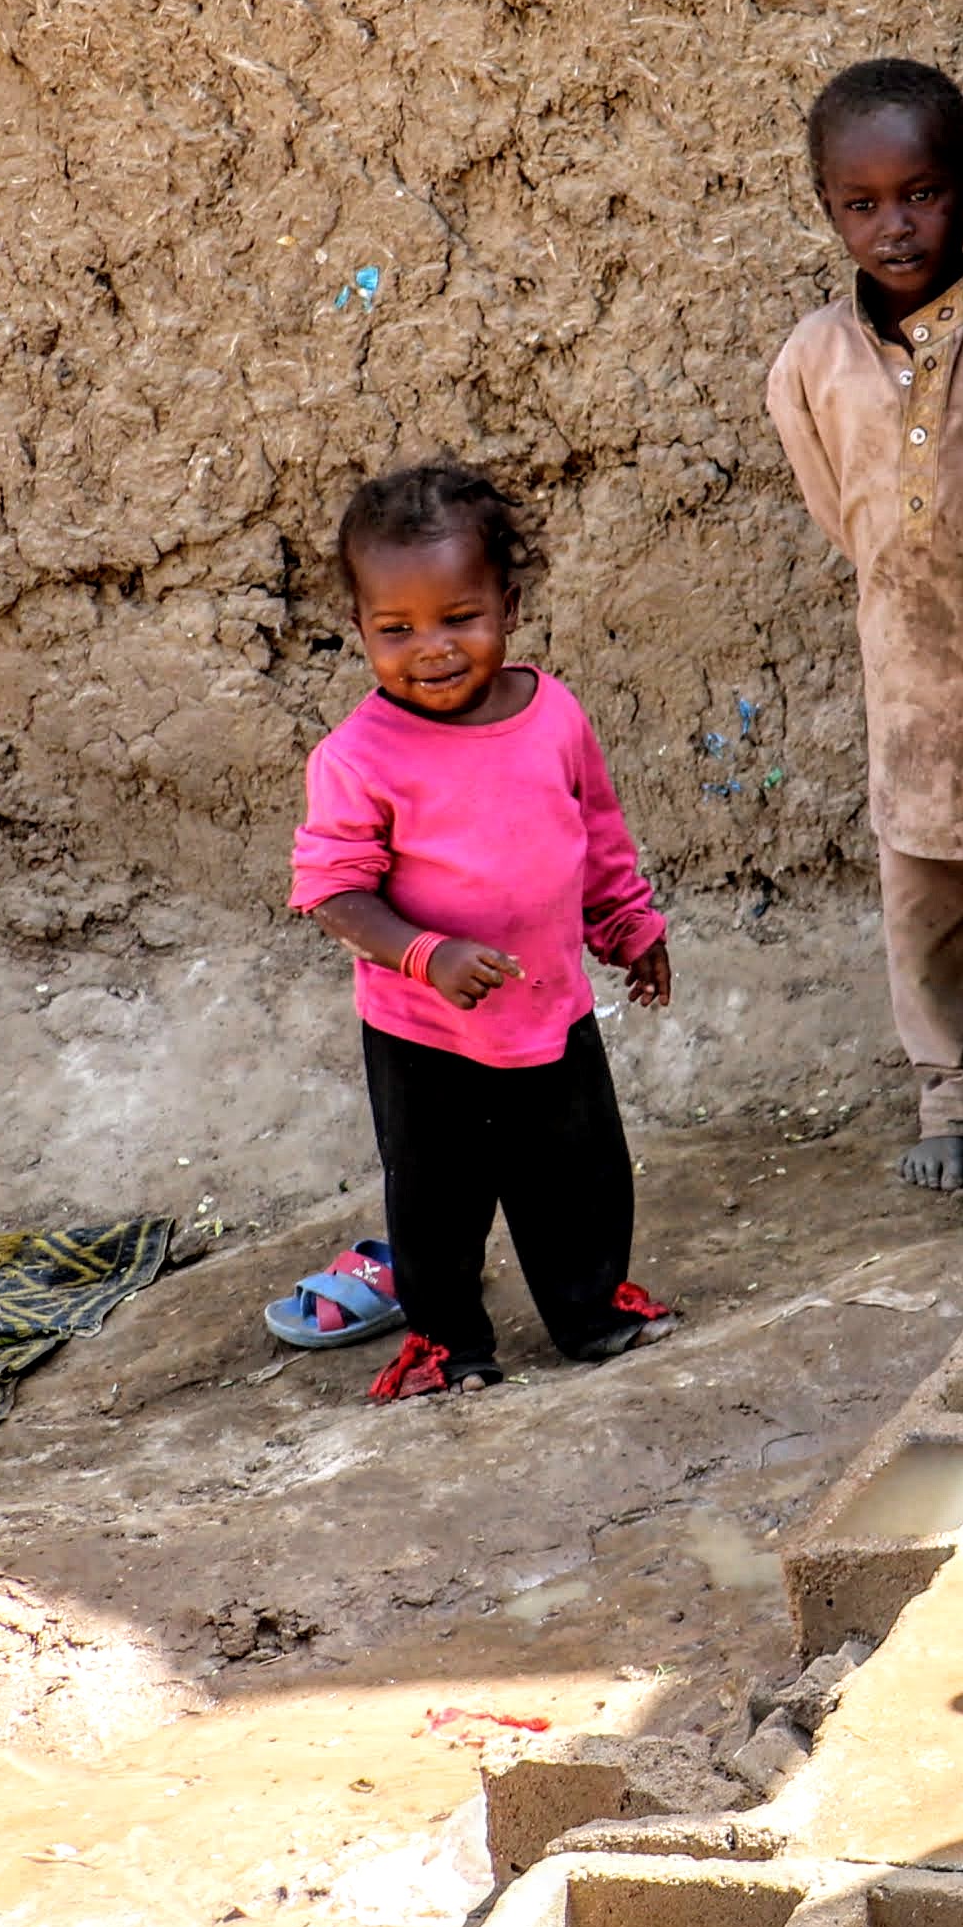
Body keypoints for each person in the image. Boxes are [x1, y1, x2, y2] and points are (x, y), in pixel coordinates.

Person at [289, 463, 681, 1400]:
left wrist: (629, 923)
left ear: (506, 604)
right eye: (396, 629)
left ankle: (590, 1311)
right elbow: (334, 893)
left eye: (459, 617)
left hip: (548, 1006)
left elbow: (594, 831)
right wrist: (428, 955)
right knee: (435, 1203)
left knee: (579, 1179)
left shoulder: (553, 716)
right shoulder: (355, 758)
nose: (431, 647)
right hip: (422, 1033)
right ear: (361, 630)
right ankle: (447, 1341)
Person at [765, 59, 963, 1189]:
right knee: (925, 904)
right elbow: (840, 510)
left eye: (924, 193)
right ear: (826, 205)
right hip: (906, 684)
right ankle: (955, 1097)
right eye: (863, 203)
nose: (895, 226)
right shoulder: (810, 362)